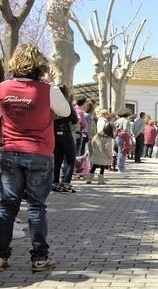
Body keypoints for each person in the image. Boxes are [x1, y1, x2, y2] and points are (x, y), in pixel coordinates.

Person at [0, 44, 70, 272]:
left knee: (7, 207)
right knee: (37, 207)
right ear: (41, 65)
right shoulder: (47, 89)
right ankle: (40, 258)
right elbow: (65, 112)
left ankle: (1, 256)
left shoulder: (2, 88)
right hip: (39, 153)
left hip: (10, 151)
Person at [52, 85, 79, 193]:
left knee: (57, 159)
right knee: (71, 158)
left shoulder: (52, 103)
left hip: (54, 132)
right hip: (65, 132)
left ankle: (55, 183)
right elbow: (75, 118)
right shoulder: (66, 103)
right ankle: (66, 183)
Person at [114, 108, 132, 173]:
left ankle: (120, 167)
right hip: (124, 137)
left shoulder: (117, 120)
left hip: (117, 137)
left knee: (120, 152)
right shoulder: (125, 120)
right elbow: (125, 129)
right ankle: (121, 168)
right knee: (123, 152)